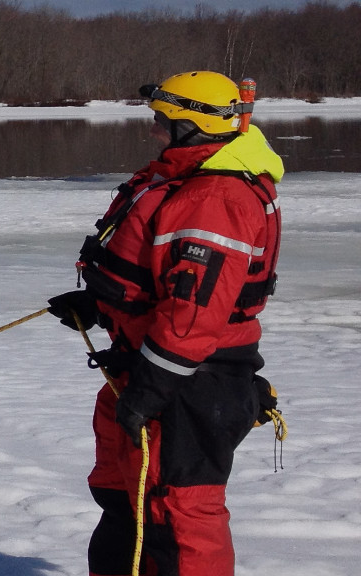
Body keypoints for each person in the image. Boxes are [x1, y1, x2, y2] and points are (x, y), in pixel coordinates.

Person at [46, 71, 283, 576]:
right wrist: (101, 306)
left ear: (193, 128)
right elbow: (161, 279)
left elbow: (194, 314)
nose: (153, 131)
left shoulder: (214, 198)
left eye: (162, 121)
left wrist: (152, 389)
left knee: (178, 515)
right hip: (146, 366)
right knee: (125, 500)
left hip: (187, 383)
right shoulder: (182, 179)